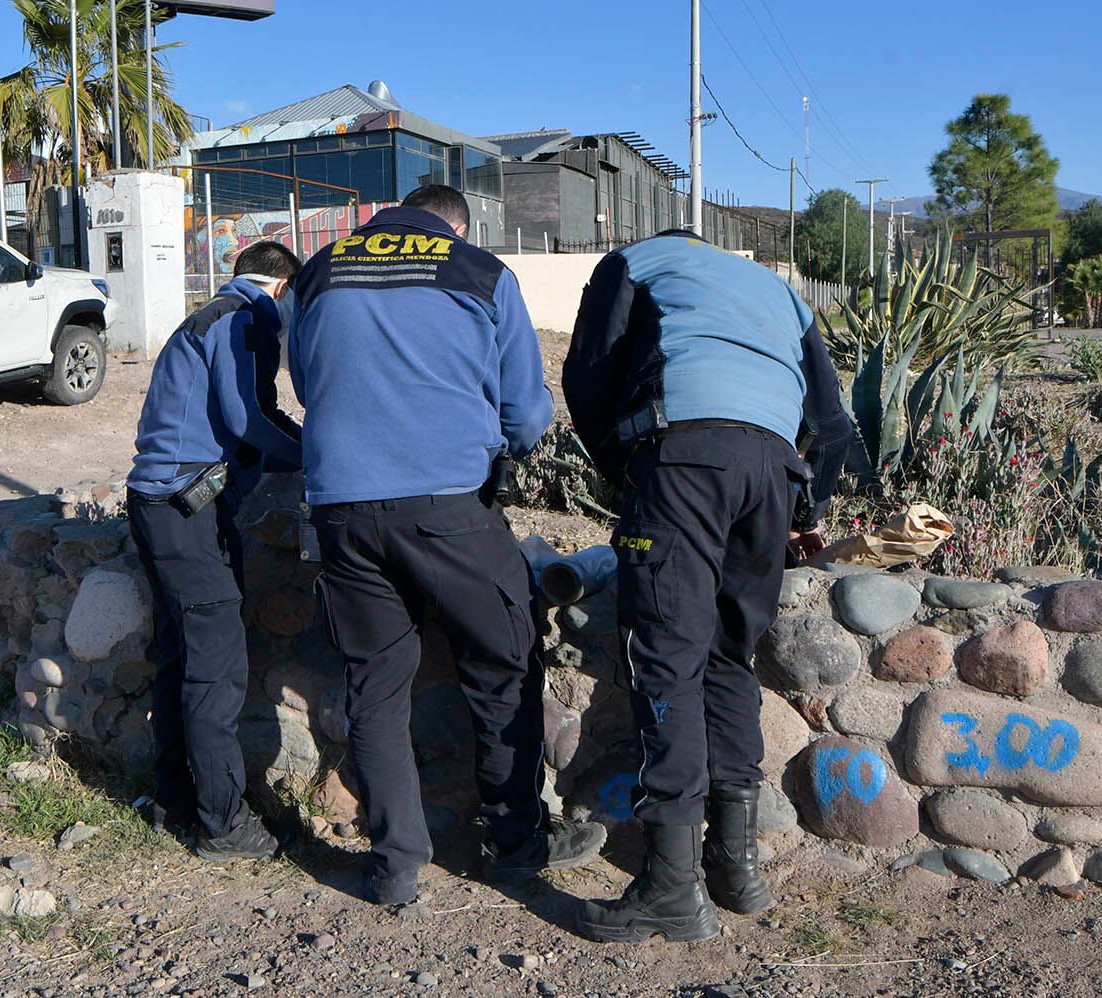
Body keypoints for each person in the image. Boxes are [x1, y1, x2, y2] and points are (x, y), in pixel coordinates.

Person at [288, 184, 607, 907]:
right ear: (456, 226)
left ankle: (397, 861)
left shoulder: (320, 268)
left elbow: (309, 383)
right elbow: (526, 412)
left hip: (340, 505)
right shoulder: (478, 270)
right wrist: (498, 447)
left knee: (375, 683)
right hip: (447, 509)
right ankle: (515, 843)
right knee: (501, 667)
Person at [561, 229, 850, 943]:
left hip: (683, 457)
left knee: (665, 660)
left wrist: (626, 473)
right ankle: (735, 868)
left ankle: (667, 886)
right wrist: (806, 511)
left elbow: (587, 376)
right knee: (727, 658)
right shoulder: (779, 292)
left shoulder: (638, 261)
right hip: (773, 470)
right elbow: (834, 424)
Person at [126, 240, 305, 861]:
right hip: (185, 508)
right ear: (282, 288)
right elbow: (250, 420)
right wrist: (321, 456)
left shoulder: (209, 312)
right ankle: (223, 823)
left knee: (181, 655)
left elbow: (258, 417)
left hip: (160, 504)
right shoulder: (246, 318)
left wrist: (295, 441)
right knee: (217, 666)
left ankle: (176, 797)